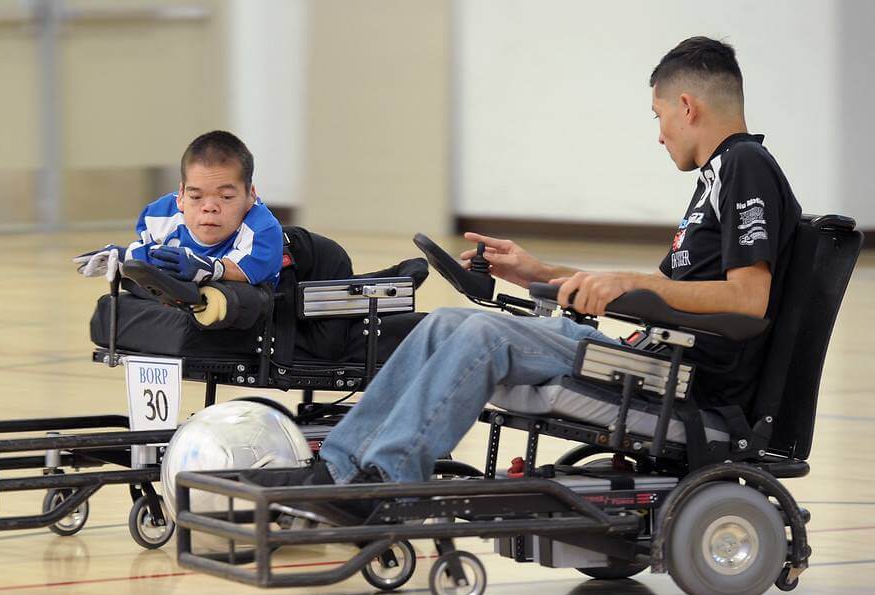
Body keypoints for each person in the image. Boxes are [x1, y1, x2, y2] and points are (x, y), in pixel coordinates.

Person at [248, 36, 801, 493]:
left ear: (688, 106)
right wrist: (537, 272)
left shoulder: (744, 165)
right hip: (656, 362)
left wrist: (628, 281)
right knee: (444, 322)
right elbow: (677, 291)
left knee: (487, 336)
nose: (659, 134)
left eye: (660, 117)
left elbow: (747, 299)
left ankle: (388, 478)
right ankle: (339, 466)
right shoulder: (718, 176)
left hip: (687, 387)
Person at [75, 130, 284, 287]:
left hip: (240, 327)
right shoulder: (160, 215)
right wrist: (127, 257)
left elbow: (245, 271)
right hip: (179, 323)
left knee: (238, 297)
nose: (209, 207)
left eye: (226, 197)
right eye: (196, 196)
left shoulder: (262, 228)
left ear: (251, 196)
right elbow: (153, 256)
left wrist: (208, 268)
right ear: (181, 196)